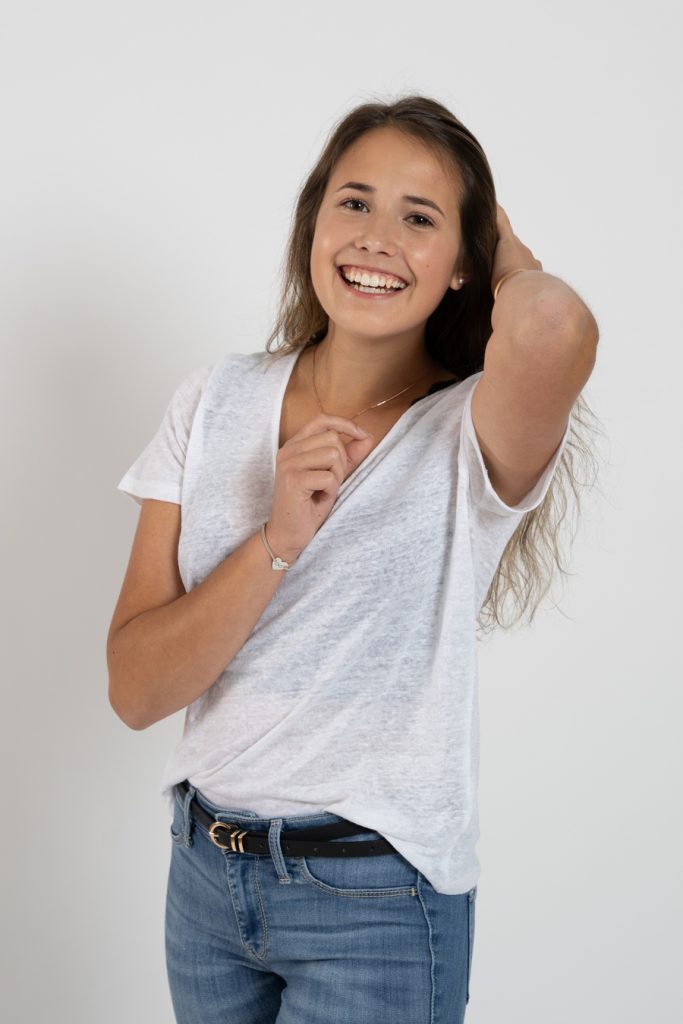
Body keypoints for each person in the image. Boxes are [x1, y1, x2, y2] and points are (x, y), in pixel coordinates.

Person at [107, 94, 599, 1024]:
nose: (376, 237)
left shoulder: (469, 433)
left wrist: (506, 249)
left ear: (465, 263)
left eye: (420, 219)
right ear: (313, 221)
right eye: (355, 202)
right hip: (205, 882)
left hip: (375, 904)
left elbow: (551, 329)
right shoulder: (212, 401)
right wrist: (275, 541)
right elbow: (135, 690)